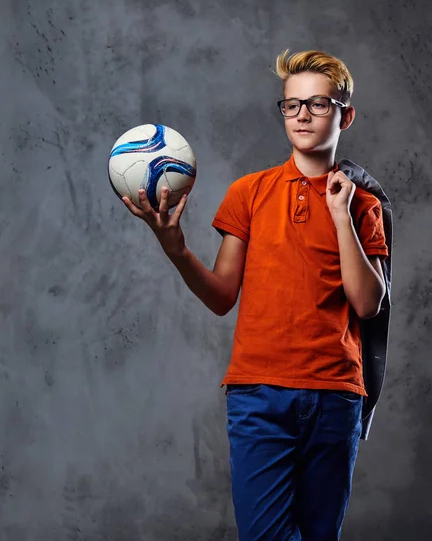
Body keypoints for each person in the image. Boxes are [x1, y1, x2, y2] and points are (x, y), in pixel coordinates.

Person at [122, 49, 390, 541]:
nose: (303, 114)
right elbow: (223, 295)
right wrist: (176, 248)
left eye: (318, 103)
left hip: (335, 395)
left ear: (345, 114)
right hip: (259, 394)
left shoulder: (363, 203)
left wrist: (340, 214)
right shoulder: (249, 192)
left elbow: (368, 302)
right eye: (291, 105)